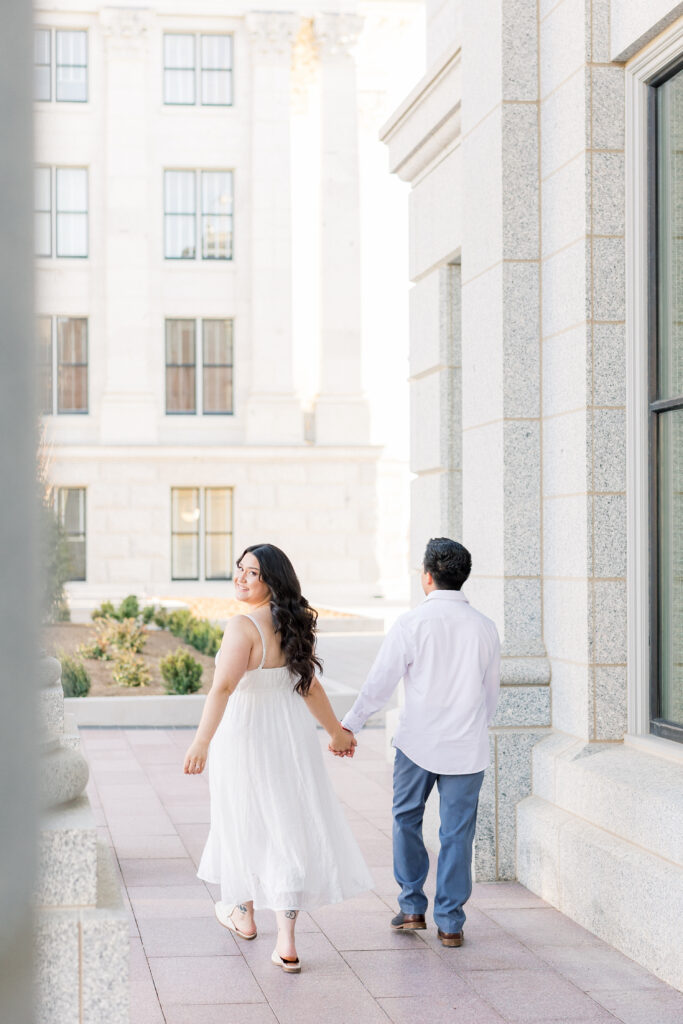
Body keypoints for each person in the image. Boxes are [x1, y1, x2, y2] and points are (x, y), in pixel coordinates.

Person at [183, 543, 373, 973]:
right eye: (240, 569)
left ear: (271, 580)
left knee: (243, 819)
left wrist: (200, 742)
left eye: (251, 573)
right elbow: (309, 686)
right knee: (286, 825)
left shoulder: (242, 626)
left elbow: (223, 689)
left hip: (246, 736)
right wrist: (336, 733)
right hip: (289, 737)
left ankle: (243, 913)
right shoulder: (294, 622)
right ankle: (285, 941)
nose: (240, 578)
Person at [335, 537, 500, 947]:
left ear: (427, 577)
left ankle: (411, 907)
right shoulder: (485, 627)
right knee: (457, 834)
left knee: (406, 818)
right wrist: (475, 727)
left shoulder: (411, 624)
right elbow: (491, 693)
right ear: (462, 578)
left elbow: (379, 684)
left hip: (417, 743)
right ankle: (450, 922)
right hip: (467, 746)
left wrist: (349, 725)